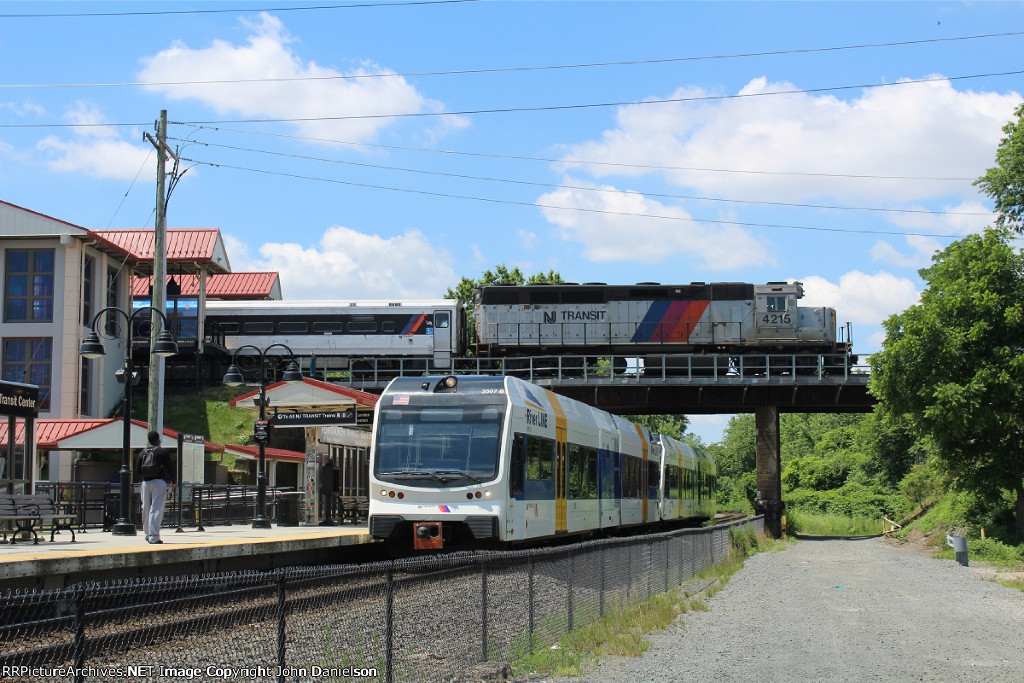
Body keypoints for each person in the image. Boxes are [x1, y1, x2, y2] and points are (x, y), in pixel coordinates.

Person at [135, 430, 175, 544]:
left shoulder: (142, 453)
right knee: (156, 508)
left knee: (146, 507)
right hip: (158, 482)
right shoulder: (162, 452)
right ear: (158, 439)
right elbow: (169, 468)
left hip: (145, 483)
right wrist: (173, 481)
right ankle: (154, 536)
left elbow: (138, 469)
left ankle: (146, 533)